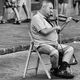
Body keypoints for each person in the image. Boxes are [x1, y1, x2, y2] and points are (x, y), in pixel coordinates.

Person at [31, 0, 75, 79]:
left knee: (70, 49)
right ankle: (54, 70)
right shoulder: (36, 18)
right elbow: (44, 32)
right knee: (54, 52)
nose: (52, 11)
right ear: (43, 7)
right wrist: (55, 27)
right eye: (50, 8)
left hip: (54, 44)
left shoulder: (48, 19)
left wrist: (65, 23)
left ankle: (62, 70)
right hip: (42, 45)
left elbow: (57, 31)